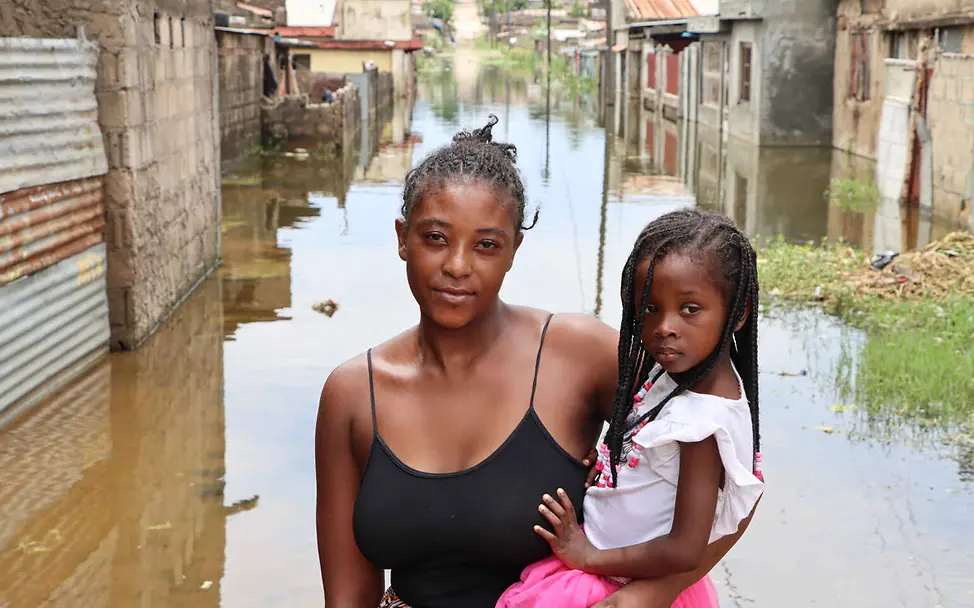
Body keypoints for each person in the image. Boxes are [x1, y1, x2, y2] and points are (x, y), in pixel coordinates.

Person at [315, 116, 759, 608]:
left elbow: (735, 471)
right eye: (435, 238)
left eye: (486, 245)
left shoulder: (577, 355)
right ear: (402, 238)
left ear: (513, 251)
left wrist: (649, 595)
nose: (458, 266)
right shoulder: (353, 395)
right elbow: (348, 595)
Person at [496, 209, 765, 608]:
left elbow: (685, 550)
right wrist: (615, 459)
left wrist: (590, 557)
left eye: (690, 309)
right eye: (649, 308)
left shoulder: (703, 426)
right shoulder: (674, 375)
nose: (664, 327)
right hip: (603, 570)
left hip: (616, 585)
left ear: (738, 312)